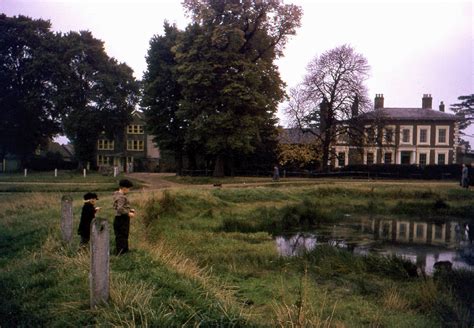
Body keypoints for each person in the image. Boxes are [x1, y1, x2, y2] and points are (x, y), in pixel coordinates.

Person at [113, 179, 135, 255]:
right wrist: (128, 213)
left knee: (121, 235)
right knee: (122, 235)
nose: (129, 190)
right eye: (129, 189)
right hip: (122, 218)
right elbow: (120, 209)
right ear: (124, 188)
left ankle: (124, 250)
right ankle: (121, 252)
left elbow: (119, 206)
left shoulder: (116, 194)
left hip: (118, 218)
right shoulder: (122, 197)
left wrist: (129, 209)